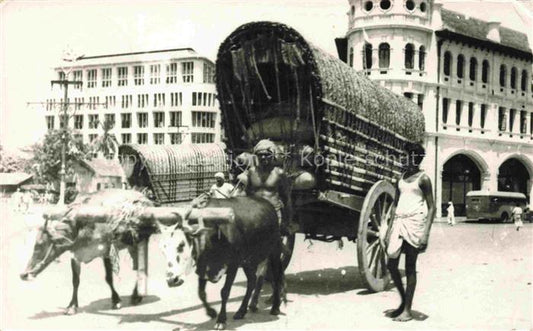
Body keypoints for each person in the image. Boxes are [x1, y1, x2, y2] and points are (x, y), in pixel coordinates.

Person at [384, 143, 436, 322]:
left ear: (415, 157)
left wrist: (426, 234)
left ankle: (407, 309)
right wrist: (389, 228)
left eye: (406, 156)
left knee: (410, 267)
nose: (403, 158)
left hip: (414, 225)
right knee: (391, 265)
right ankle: (402, 302)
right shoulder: (401, 177)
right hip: (399, 223)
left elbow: (432, 207)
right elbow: (395, 205)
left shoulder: (423, 179)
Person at [235, 139, 297, 234]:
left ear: (272, 156)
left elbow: (286, 198)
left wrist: (287, 221)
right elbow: (246, 193)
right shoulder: (252, 172)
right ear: (256, 157)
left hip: (273, 213)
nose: (263, 157)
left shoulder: (279, 173)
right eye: (260, 155)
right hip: (255, 213)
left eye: (267, 155)